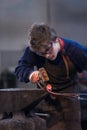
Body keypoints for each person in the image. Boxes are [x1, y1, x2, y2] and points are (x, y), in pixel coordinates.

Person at [15, 23, 87, 130]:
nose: (47, 55)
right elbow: (20, 69)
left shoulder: (75, 50)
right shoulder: (34, 51)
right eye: (42, 54)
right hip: (45, 100)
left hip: (69, 101)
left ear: (56, 40)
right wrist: (30, 74)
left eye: (48, 50)